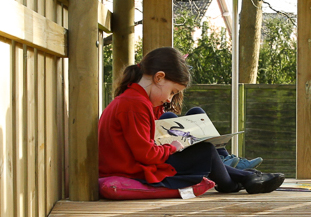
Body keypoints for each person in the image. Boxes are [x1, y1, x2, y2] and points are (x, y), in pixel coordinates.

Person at [98, 47, 285, 195]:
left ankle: (243, 178)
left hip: (132, 165)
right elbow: (146, 155)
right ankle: (235, 181)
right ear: (159, 77)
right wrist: (173, 147)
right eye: (172, 92)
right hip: (133, 170)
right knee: (205, 151)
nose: (170, 99)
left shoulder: (133, 100)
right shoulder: (134, 104)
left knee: (200, 145)